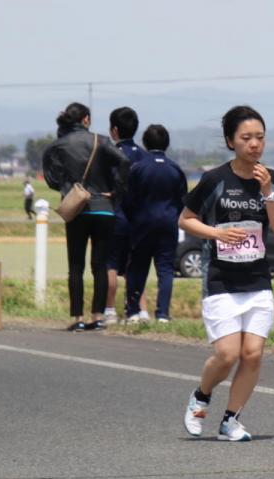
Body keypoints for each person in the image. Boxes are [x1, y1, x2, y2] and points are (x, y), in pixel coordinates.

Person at [179, 106, 274, 442]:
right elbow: (185, 219)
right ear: (230, 141)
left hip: (257, 279)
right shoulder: (215, 179)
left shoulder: (273, 179)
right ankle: (201, 395)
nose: (254, 144)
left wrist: (269, 193)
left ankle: (231, 420)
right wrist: (217, 234)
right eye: (246, 138)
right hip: (221, 280)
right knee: (228, 354)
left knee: (252, 353)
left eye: (259, 137)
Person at [42, 102, 131, 331]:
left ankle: (77, 318)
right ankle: (97, 316)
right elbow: (124, 161)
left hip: (77, 210)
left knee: (76, 265)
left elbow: (52, 179)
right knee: (99, 265)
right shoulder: (100, 141)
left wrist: (69, 188)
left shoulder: (57, 146)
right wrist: (116, 191)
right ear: (86, 120)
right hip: (104, 208)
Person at [124, 124, 187, 324]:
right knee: (166, 270)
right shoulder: (175, 169)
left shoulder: (138, 168)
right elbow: (183, 200)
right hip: (168, 224)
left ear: (145, 142)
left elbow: (128, 200)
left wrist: (134, 218)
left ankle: (133, 312)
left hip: (142, 224)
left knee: (137, 268)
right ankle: (162, 315)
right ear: (167, 144)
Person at [104, 107, 148, 324]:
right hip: (140, 220)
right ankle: (139, 311)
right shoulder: (144, 156)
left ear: (114, 130)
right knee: (136, 266)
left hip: (115, 216)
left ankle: (110, 310)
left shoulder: (109, 155)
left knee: (111, 265)